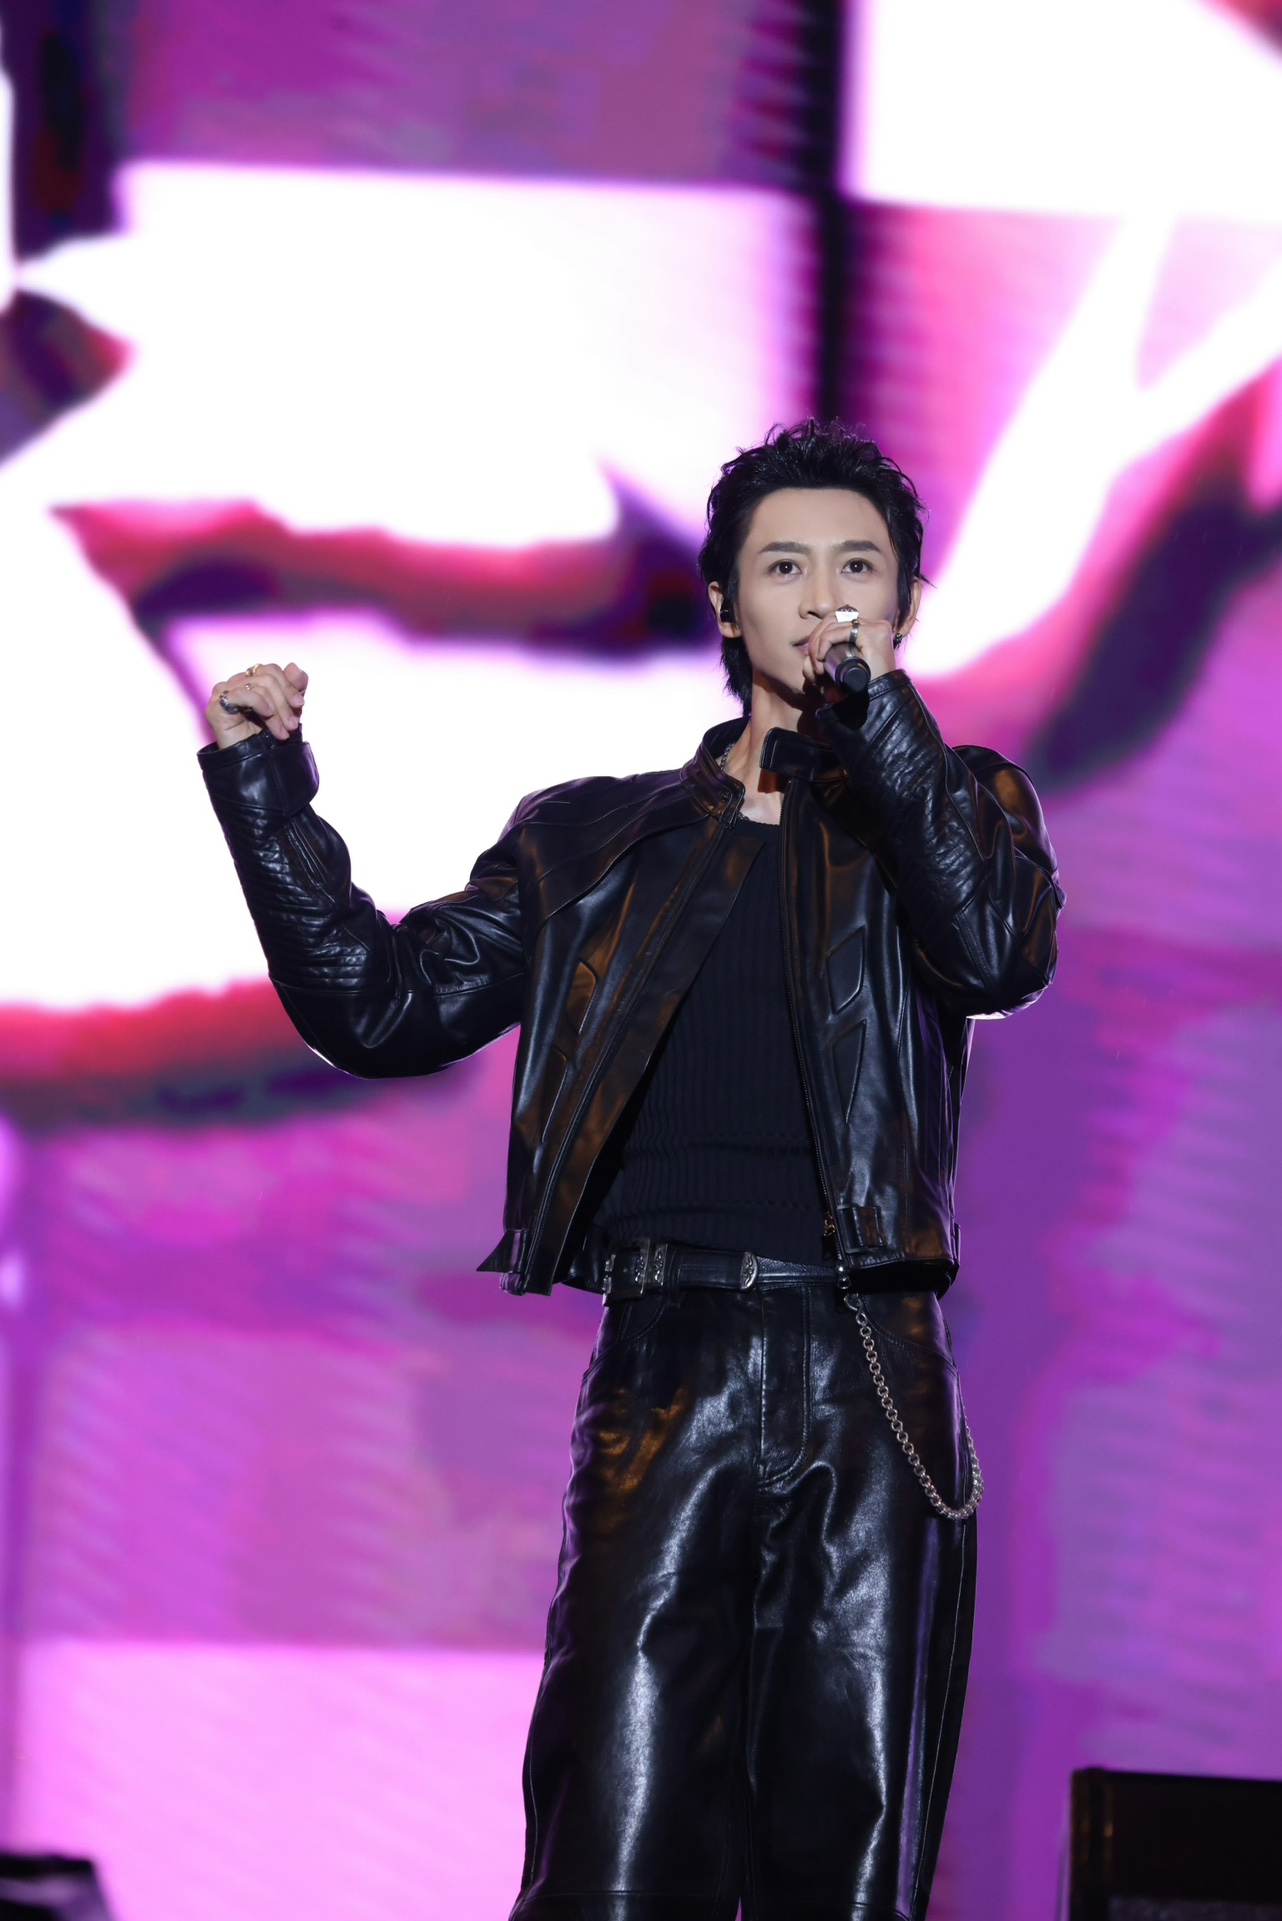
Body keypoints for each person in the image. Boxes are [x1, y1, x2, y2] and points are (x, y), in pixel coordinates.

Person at [199, 420, 1062, 1921]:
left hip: (870, 1363)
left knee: (842, 1851)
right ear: (724, 602)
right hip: (667, 1359)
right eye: (783, 567)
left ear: (906, 605)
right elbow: (382, 1009)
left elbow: (994, 952)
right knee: (616, 1831)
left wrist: (882, 723)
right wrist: (263, 792)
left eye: (857, 568)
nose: (823, 597)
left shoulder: (959, 805)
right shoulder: (593, 837)